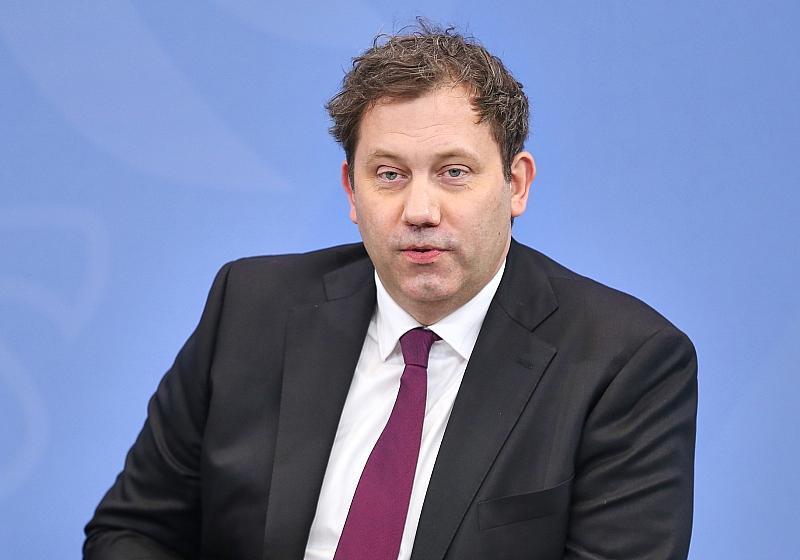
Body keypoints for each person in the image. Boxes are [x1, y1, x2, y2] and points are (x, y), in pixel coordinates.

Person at [84, 22, 697, 560]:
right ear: (351, 191)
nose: (420, 210)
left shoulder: (624, 362)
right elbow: (132, 532)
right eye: (389, 174)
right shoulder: (250, 307)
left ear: (516, 185)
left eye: (454, 172)